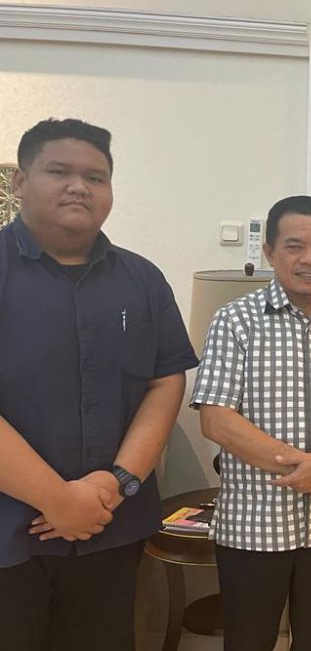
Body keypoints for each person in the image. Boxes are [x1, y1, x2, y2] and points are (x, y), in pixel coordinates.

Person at [0, 118, 198, 650]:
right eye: (59, 171)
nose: (79, 187)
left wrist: (116, 482)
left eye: (95, 177)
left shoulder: (142, 278)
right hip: (8, 531)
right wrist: (58, 499)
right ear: (20, 180)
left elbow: (164, 381)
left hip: (112, 527)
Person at [192, 195, 311, 651]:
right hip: (255, 518)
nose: (309, 259)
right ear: (270, 251)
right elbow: (216, 420)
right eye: (294, 246)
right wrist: (305, 468)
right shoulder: (235, 321)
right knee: (249, 639)